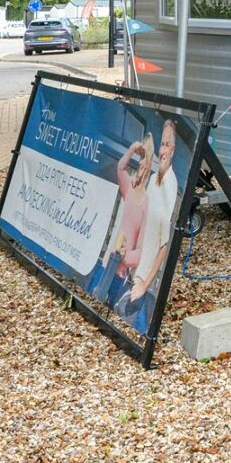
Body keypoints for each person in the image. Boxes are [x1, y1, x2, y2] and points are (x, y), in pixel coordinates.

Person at [117, 117, 179, 333]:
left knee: (137, 329)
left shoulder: (170, 185)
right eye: (162, 144)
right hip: (135, 272)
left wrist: (145, 284)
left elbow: (164, 245)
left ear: (173, 151)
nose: (163, 151)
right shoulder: (153, 181)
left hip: (146, 283)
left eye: (167, 145)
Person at [89, 131, 152, 306]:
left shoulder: (147, 204)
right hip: (108, 259)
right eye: (139, 166)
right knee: (94, 297)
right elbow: (120, 167)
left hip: (121, 269)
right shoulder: (129, 192)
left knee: (109, 302)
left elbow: (141, 251)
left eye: (145, 168)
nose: (141, 172)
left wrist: (126, 257)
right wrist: (131, 150)